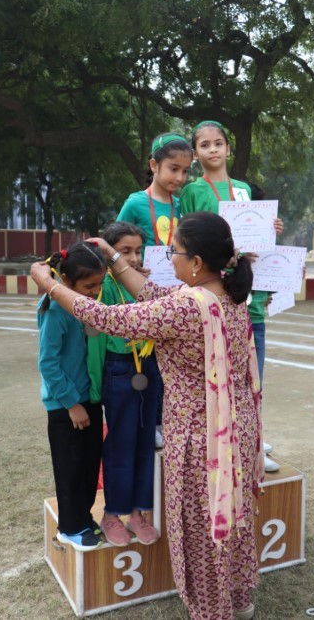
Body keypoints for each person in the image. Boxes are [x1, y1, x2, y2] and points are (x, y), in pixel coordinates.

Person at [31, 211, 264, 620]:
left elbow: (107, 318)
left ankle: (213, 612)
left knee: (201, 535)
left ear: (196, 262)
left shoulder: (186, 307)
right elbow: (155, 296)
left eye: (175, 252)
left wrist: (51, 286)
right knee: (232, 518)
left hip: (200, 442)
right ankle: (239, 598)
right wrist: (114, 259)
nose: (169, 259)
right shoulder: (227, 292)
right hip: (236, 430)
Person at [180, 121, 282, 472]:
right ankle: (223, 443)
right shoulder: (193, 190)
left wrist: (270, 228)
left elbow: (258, 245)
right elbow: (188, 238)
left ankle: (255, 443)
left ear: (228, 148)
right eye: (205, 145)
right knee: (217, 379)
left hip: (247, 295)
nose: (213, 149)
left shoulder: (243, 189)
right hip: (212, 295)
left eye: (218, 143)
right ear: (196, 154)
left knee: (253, 379)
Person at [88, 221, 162, 547]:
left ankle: (136, 512)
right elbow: (94, 342)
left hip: (149, 367)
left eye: (137, 250)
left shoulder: (144, 284)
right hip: (119, 370)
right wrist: (94, 389)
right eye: (124, 251)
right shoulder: (103, 286)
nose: (133, 258)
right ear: (109, 253)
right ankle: (111, 514)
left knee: (145, 443)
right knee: (120, 444)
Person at [117, 132, 193, 448]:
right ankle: (150, 423)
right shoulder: (135, 203)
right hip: (141, 297)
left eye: (185, 171)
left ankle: (165, 421)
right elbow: (115, 242)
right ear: (154, 165)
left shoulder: (182, 205)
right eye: (173, 169)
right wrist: (132, 264)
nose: (180, 177)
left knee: (170, 362)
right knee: (146, 364)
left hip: (173, 297)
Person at [37, 242, 107, 552]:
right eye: (89, 286)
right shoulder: (55, 310)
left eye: (99, 284)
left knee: (89, 466)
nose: (95, 292)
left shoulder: (84, 306)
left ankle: (83, 517)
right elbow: (48, 363)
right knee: (70, 468)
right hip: (66, 407)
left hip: (88, 399)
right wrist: (71, 404)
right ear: (66, 281)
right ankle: (69, 527)